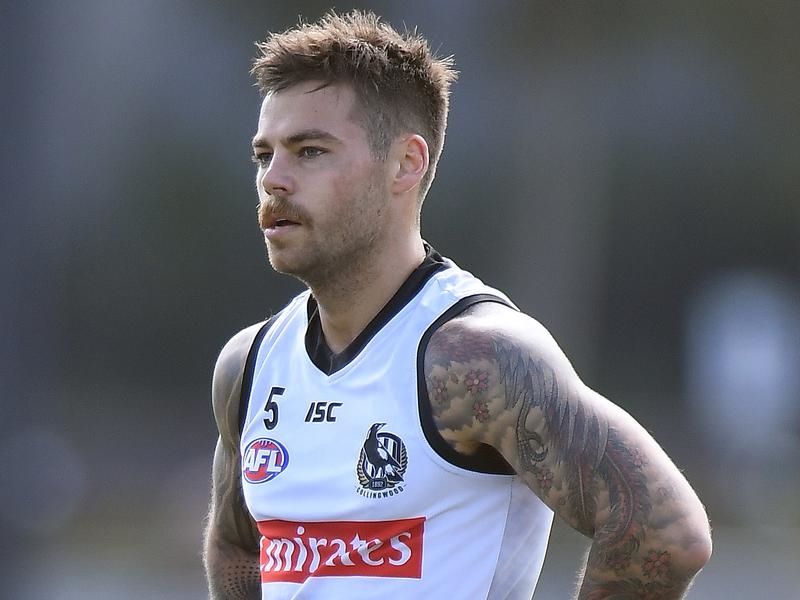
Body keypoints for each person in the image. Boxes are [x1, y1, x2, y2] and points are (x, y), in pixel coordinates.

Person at [202, 10, 712, 599]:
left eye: (310, 151)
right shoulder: (250, 364)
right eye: (263, 155)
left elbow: (662, 533)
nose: (274, 180)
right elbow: (237, 545)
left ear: (406, 163)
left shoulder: (477, 358)